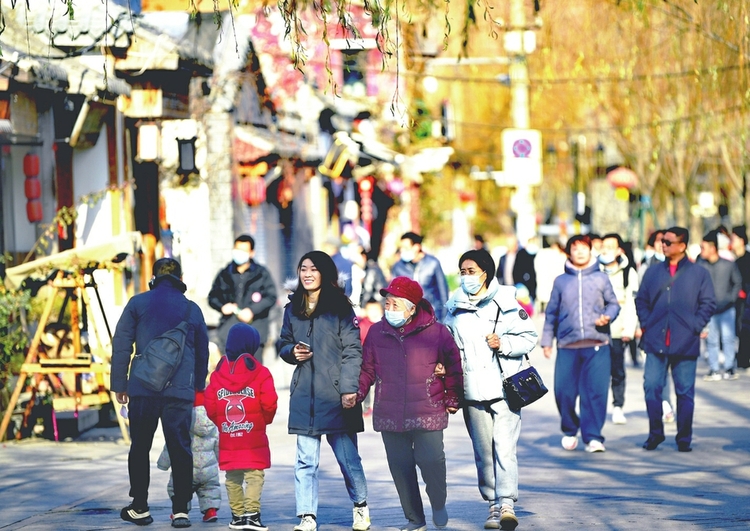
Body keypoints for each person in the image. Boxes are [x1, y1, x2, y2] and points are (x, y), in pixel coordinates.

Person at [111, 257, 210, 528]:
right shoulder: (191, 309)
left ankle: (140, 506)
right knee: (180, 447)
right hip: (179, 390)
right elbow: (203, 351)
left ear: (154, 277)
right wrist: (197, 386)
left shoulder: (138, 303)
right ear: (180, 278)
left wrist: (120, 384)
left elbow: (121, 345)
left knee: (140, 445)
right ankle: (181, 510)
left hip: (143, 387)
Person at [358, 276, 463, 531]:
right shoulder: (376, 332)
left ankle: (438, 501)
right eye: (387, 304)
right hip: (390, 411)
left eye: (395, 305)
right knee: (401, 467)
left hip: (428, 407)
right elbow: (367, 369)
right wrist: (357, 393)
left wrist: (452, 397)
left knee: (431, 461)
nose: (389, 309)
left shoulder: (437, 332)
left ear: (412, 307)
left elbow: (454, 365)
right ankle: (415, 519)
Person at [444, 250, 537, 531]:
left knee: (505, 448)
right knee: (483, 452)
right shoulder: (453, 308)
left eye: (471, 271)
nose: (466, 276)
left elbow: (529, 337)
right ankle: (492, 504)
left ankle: (506, 502)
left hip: (505, 388)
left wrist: (504, 343)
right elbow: (448, 348)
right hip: (472, 391)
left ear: (486, 272)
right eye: (462, 271)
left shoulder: (506, 302)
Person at [277, 251, 370, 531]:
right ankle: (307, 515)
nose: (306, 274)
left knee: (347, 458)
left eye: (313, 269)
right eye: (303, 268)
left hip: (336, 394)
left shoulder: (341, 307)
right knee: (305, 461)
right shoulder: (292, 308)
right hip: (305, 394)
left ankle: (361, 505)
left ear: (324, 273)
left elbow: (353, 351)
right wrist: (291, 352)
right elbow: (283, 343)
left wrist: (349, 389)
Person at [635, 227, 716, 452]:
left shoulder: (699, 273)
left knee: (684, 392)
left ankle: (684, 438)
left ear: (682, 246)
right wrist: (646, 322)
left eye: (669, 242)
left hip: (685, 341)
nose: (664, 245)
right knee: (651, 386)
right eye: (662, 241)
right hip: (655, 339)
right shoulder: (652, 272)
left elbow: (708, 302)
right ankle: (655, 433)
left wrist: (696, 325)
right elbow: (641, 300)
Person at [541, 235, 620, 453]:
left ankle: (593, 436)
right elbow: (552, 313)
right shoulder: (560, 281)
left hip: (597, 343)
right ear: (569, 253)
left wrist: (607, 316)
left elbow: (614, 304)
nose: (580, 252)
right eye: (575, 248)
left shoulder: (601, 278)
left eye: (584, 248)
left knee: (595, 392)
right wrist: (547, 340)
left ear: (590, 250)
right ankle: (570, 428)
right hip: (567, 345)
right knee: (563, 392)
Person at [205, 323, 278, 531]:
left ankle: (237, 516)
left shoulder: (217, 374)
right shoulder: (261, 372)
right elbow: (270, 402)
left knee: (232, 476)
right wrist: (263, 420)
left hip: (229, 435)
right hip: (253, 434)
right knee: (254, 473)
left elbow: (210, 405)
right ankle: (252, 515)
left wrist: (223, 423)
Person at [208, 234, 278, 363]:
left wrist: (252, 310)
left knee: (253, 375)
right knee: (232, 376)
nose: (239, 253)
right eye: (237, 249)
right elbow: (212, 297)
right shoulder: (225, 274)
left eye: (243, 250)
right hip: (230, 332)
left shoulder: (261, 274)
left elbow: (271, 297)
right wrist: (223, 307)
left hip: (255, 331)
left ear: (252, 253)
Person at [157, 392, 221, 524]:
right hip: (208, 470)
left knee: (177, 488)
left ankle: (180, 510)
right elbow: (219, 444)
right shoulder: (213, 425)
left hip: (186, 469)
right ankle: (210, 511)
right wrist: (223, 461)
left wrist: (163, 464)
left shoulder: (181, 424)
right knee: (210, 489)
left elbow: (171, 446)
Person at [599, 233, 639, 425]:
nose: (605, 250)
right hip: (595, 331)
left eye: (610, 246)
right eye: (603, 246)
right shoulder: (594, 271)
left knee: (617, 370)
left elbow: (632, 303)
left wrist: (629, 329)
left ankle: (618, 406)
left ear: (619, 250)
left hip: (618, 329)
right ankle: (597, 406)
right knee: (597, 372)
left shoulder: (628, 273)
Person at [699, 230, 742, 381]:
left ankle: (730, 367)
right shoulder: (701, 266)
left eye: (703, 247)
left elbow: (737, 283)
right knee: (711, 340)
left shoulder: (728, 265)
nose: (701, 251)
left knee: (728, 338)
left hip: (727, 308)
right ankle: (714, 368)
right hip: (709, 309)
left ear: (712, 248)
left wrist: (731, 298)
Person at [391, 232, 450, 321]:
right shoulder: (398, 267)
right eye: (401, 248)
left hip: (431, 315)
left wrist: (443, 318)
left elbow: (443, 292)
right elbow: (393, 293)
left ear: (417, 246)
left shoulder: (433, 263)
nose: (402, 251)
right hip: (408, 317)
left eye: (406, 248)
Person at [496, 235, 537, 304]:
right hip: (506, 289)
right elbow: (499, 274)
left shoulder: (523, 256)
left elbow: (530, 274)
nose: (511, 247)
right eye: (509, 245)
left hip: (519, 290)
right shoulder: (503, 258)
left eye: (513, 244)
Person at [733, 226, 750, 370]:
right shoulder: (733, 258)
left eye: (734, 238)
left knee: (744, 327)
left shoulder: (747, 259)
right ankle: (742, 358)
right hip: (736, 299)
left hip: (746, 299)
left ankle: (744, 359)